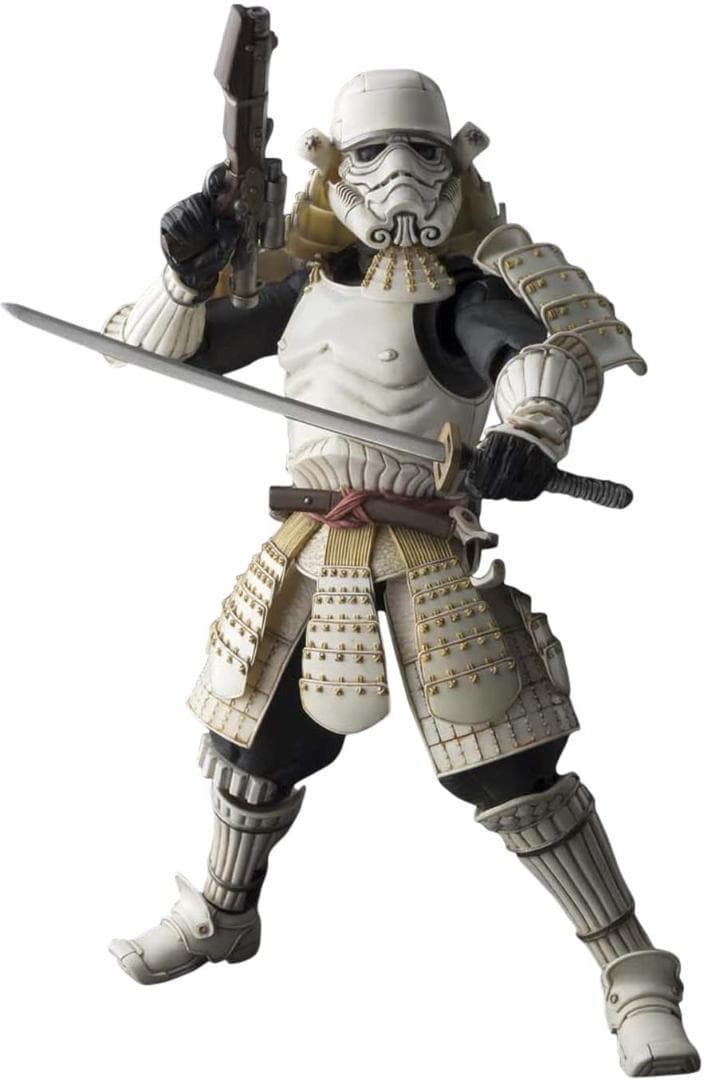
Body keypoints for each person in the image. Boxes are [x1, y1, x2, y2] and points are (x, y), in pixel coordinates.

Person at [105, 69, 698, 1077]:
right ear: (333, 169)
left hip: (423, 546)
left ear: (456, 165)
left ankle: (631, 968)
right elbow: (161, 354)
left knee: (509, 767)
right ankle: (224, 912)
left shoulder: (462, 295)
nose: (399, 173)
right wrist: (181, 280)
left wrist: (529, 431)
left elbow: (536, 357)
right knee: (251, 745)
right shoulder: (300, 290)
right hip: (309, 549)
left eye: (423, 150)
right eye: (372, 151)